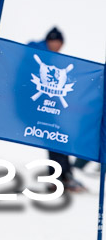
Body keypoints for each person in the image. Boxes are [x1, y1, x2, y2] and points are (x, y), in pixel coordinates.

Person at [28, 27, 86, 193]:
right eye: (56, 42)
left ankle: (64, 175)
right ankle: (58, 178)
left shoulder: (51, 58)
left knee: (58, 137)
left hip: (45, 105)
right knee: (54, 137)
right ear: (50, 41)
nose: (58, 46)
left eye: (60, 43)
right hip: (34, 106)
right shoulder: (39, 54)